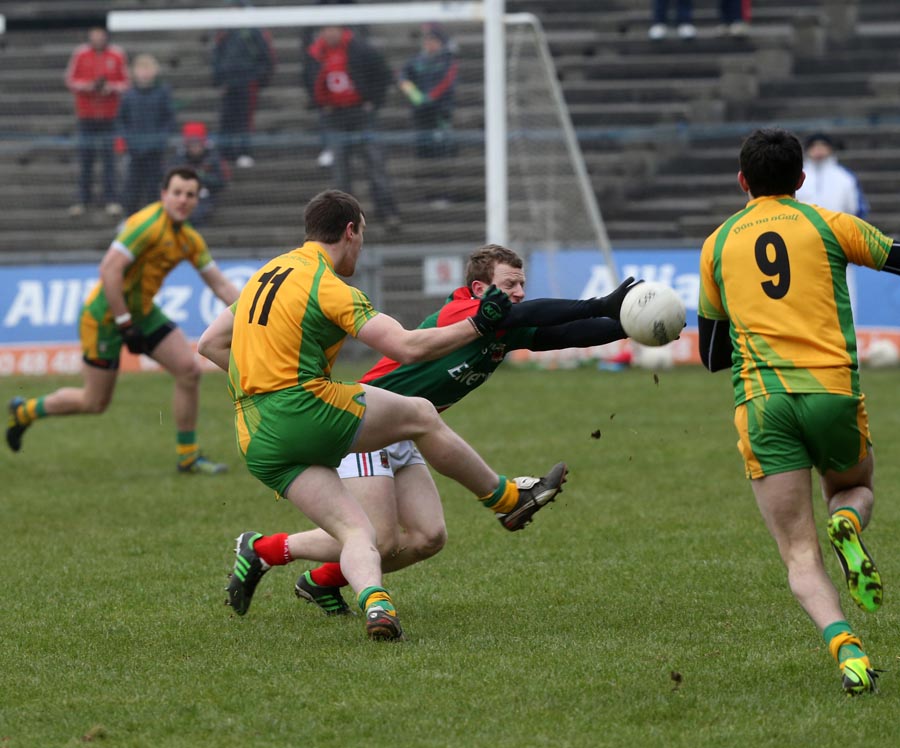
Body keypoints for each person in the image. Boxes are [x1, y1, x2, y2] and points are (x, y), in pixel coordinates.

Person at [197, 190, 569, 641]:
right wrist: (478, 324)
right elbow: (407, 348)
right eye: (362, 235)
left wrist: (257, 381)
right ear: (350, 231)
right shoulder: (328, 285)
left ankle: (376, 605)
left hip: (255, 435)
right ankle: (506, 500)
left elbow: (210, 344)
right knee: (420, 413)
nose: (361, 246)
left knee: (360, 530)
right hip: (305, 407)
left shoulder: (264, 276)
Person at [290, 244, 635, 616]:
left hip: (407, 429)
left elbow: (565, 334)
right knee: (381, 537)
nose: (518, 293)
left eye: (522, 284)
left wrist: (630, 324)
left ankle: (319, 582)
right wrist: (599, 304)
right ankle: (264, 550)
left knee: (429, 538)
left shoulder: (504, 328)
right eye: (509, 284)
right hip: (366, 422)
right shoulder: (463, 311)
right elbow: (536, 313)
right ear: (478, 290)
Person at [698, 127, 894, 695]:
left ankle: (848, 651)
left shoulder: (719, 241)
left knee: (799, 553)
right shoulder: (827, 223)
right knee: (855, 488)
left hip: (762, 404)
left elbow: (712, 354)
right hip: (832, 392)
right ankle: (849, 521)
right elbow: (896, 259)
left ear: (742, 182)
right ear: (802, 180)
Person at [6, 167, 240, 476]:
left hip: (142, 313)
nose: (183, 200)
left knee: (188, 370)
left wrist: (254, 313)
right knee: (94, 402)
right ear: (164, 195)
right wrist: (124, 323)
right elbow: (109, 270)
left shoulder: (189, 239)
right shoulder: (146, 225)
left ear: (197, 200)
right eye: (178, 193)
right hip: (105, 318)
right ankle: (25, 411)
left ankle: (188, 456)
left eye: (190, 195)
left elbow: (221, 285)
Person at [303, 26, 400, 227]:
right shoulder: (315, 53)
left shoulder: (360, 48)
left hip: (361, 114)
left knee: (375, 165)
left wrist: (373, 100)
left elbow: (382, 72)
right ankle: (345, 220)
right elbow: (307, 79)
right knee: (340, 172)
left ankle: (388, 213)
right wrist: (320, 102)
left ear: (341, 29)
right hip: (335, 116)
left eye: (333, 29)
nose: (329, 34)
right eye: (325, 29)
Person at [64, 26, 130, 217]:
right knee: (86, 159)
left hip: (109, 116)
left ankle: (111, 199)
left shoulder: (117, 54)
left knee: (110, 159)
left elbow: (126, 82)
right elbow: (70, 80)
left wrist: (110, 88)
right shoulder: (81, 54)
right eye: (94, 35)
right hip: (86, 116)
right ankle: (82, 200)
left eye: (100, 35)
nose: (98, 38)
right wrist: (89, 86)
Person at [211, 2, 276, 168]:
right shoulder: (223, 31)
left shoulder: (253, 30)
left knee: (244, 120)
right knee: (227, 119)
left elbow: (266, 56)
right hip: (228, 84)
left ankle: (244, 152)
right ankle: (225, 154)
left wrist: (256, 78)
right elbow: (217, 57)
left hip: (247, 83)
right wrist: (219, 79)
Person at [117, 54, 177, 215]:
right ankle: (128, 220)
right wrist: (129, 140)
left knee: (153, 187)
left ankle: (155, 221)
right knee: (132, 187)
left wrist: (160, 139)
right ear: (134, 72)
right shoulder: (128, 95)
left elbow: (169, 118)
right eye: (141, 69)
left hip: (155, 151)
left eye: (148, 68)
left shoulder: (163, 92)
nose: (144, 73)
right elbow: (121, 120)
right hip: (134, 151)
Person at [398, 23, 459, 162]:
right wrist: (414, 94)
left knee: (441, 140)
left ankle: (443, 167)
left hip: (441, 109)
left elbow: (448, 81)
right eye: (427, 41)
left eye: (433, 41)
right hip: (420, 109)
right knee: (422, 140)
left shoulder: (447, 60)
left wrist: (431, 97)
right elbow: (402, 77)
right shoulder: (416, 61)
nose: (429, 44)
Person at [795, 132, 869, 219]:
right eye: (814, 146)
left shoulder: (845, 176)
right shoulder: (796, 174)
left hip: (837, 229)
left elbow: (857, 208)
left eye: (823, 145)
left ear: (830, 149)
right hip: (802, 228)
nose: (818, 149)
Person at [169, 122, 230, 226]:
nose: (195, 147)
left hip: (206, 196)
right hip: (182, 196)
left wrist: (202, 177)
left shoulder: (213, 157)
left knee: (196, 214)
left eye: (197, 143)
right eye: (191, 143)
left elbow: (221, 182)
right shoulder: (178, 159)